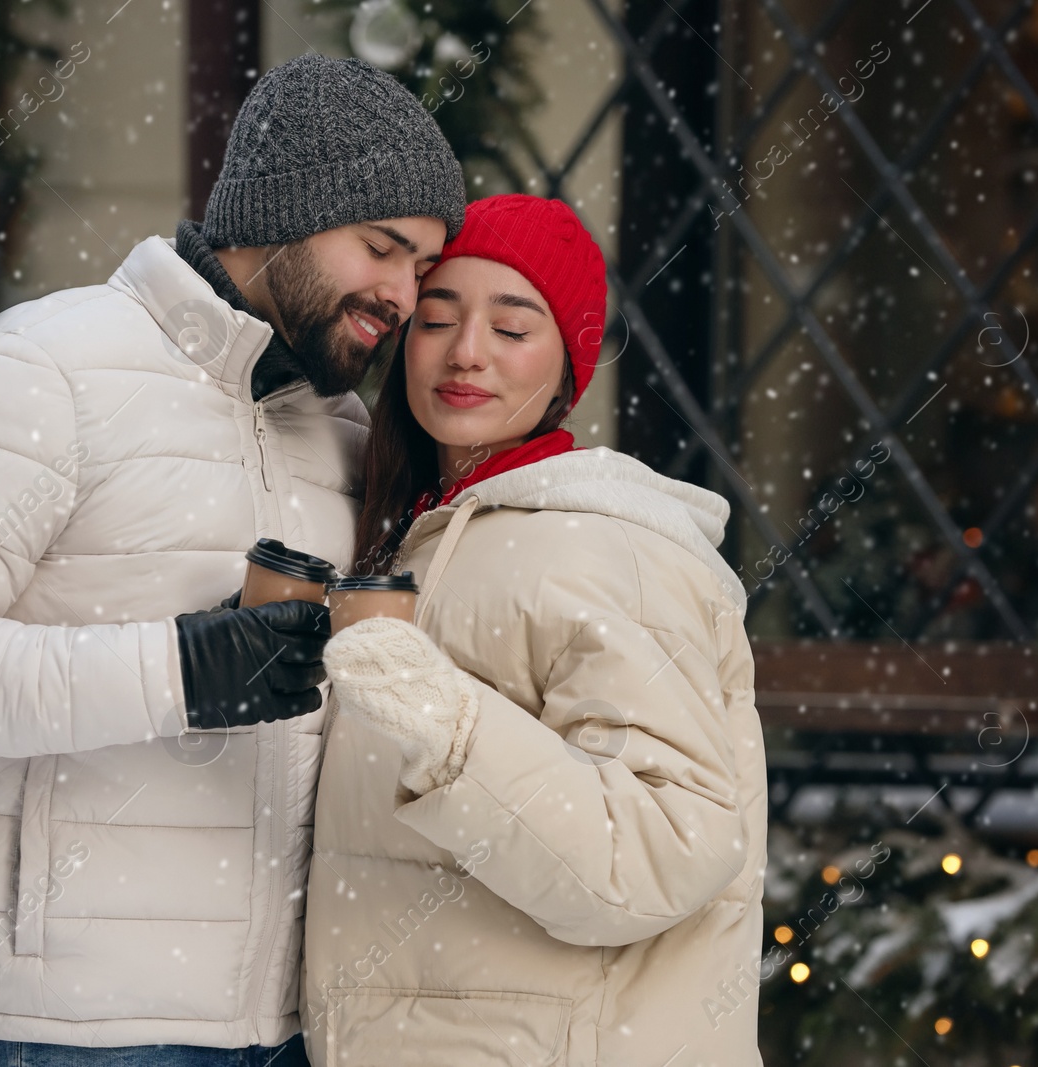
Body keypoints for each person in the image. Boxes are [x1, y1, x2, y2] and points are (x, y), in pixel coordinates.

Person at [0, 54, 465, 1066]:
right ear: (283, 209)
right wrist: (175, 672)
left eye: (422, 265)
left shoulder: (340, 433)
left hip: (287, 1028)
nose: (402, 293)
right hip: (55, 1028)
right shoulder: (37, 371)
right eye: (382, 247)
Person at [299, 194, 768, 1066]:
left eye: (512, 329)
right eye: (436, 318)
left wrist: (451, 730)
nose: (465, 352)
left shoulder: (607, 546)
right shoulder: (420, 529)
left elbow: (667, 849)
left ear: (567, 366)